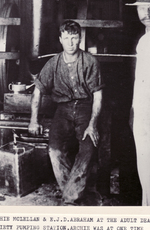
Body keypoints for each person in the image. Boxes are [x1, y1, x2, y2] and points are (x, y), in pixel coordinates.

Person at [28, 20, 103, 205]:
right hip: (63, 110)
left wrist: (92, 124)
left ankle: (69, 200)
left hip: (86, 108)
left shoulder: (90, 62)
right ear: (60, 39)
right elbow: (37, 91)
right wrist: (33, 120)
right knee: (54, 151)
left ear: (80, 39)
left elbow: (98, 95)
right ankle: (75, 195)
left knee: (87, 150)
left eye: (74, 38)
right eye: (66, 38)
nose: (70, 43)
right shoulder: (53, 63)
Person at [126, 0, 150, 206]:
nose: (146, 13)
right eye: (142, 8)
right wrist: (134, 110)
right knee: (147, 171)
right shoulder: (145, 38)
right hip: (144, 112)